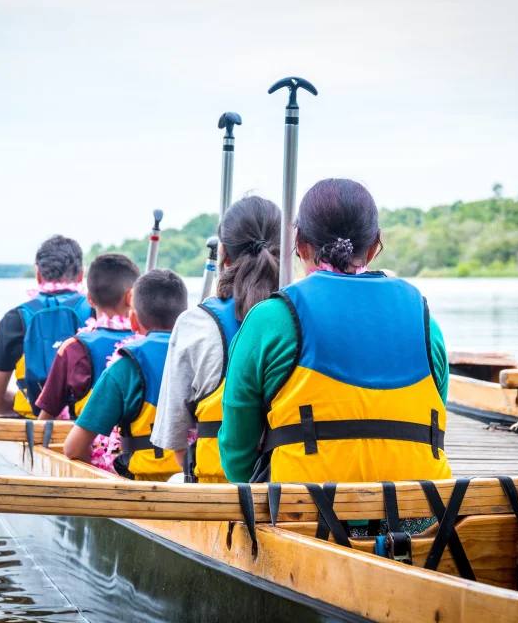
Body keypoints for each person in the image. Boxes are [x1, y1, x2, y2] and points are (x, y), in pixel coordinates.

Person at [219, 178, 452, 486]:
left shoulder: (269, 318)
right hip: (419, 515)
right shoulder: (425, 321)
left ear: (299, 243)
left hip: (305, 515)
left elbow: (236, 449)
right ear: (374, 246)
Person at [151, 196, 281, 483]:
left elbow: (174, 440)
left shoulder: (195, 323)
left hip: (220, 491)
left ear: (224, 254)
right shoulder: (302, 317)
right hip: (291, 488)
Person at [63, 269, 188, 481]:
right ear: (185, 317)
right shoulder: (206, 354)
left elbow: (73, 449)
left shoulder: (125, 365)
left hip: (142, 484)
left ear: (132, 321)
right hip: (198, 477)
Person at [0, 235, 92, 418]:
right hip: (89, 429)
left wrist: (23, 404)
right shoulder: (98, 312)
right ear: (82, 274)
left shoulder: (14, 319)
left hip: (36, 426)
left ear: (38, 274)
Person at [36, 254, 139, 421]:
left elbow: (47, 416)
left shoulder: (73, 348)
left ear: (89, 299)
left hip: (88, 445)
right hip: (141, 444)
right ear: (131, 297)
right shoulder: (145, 342)